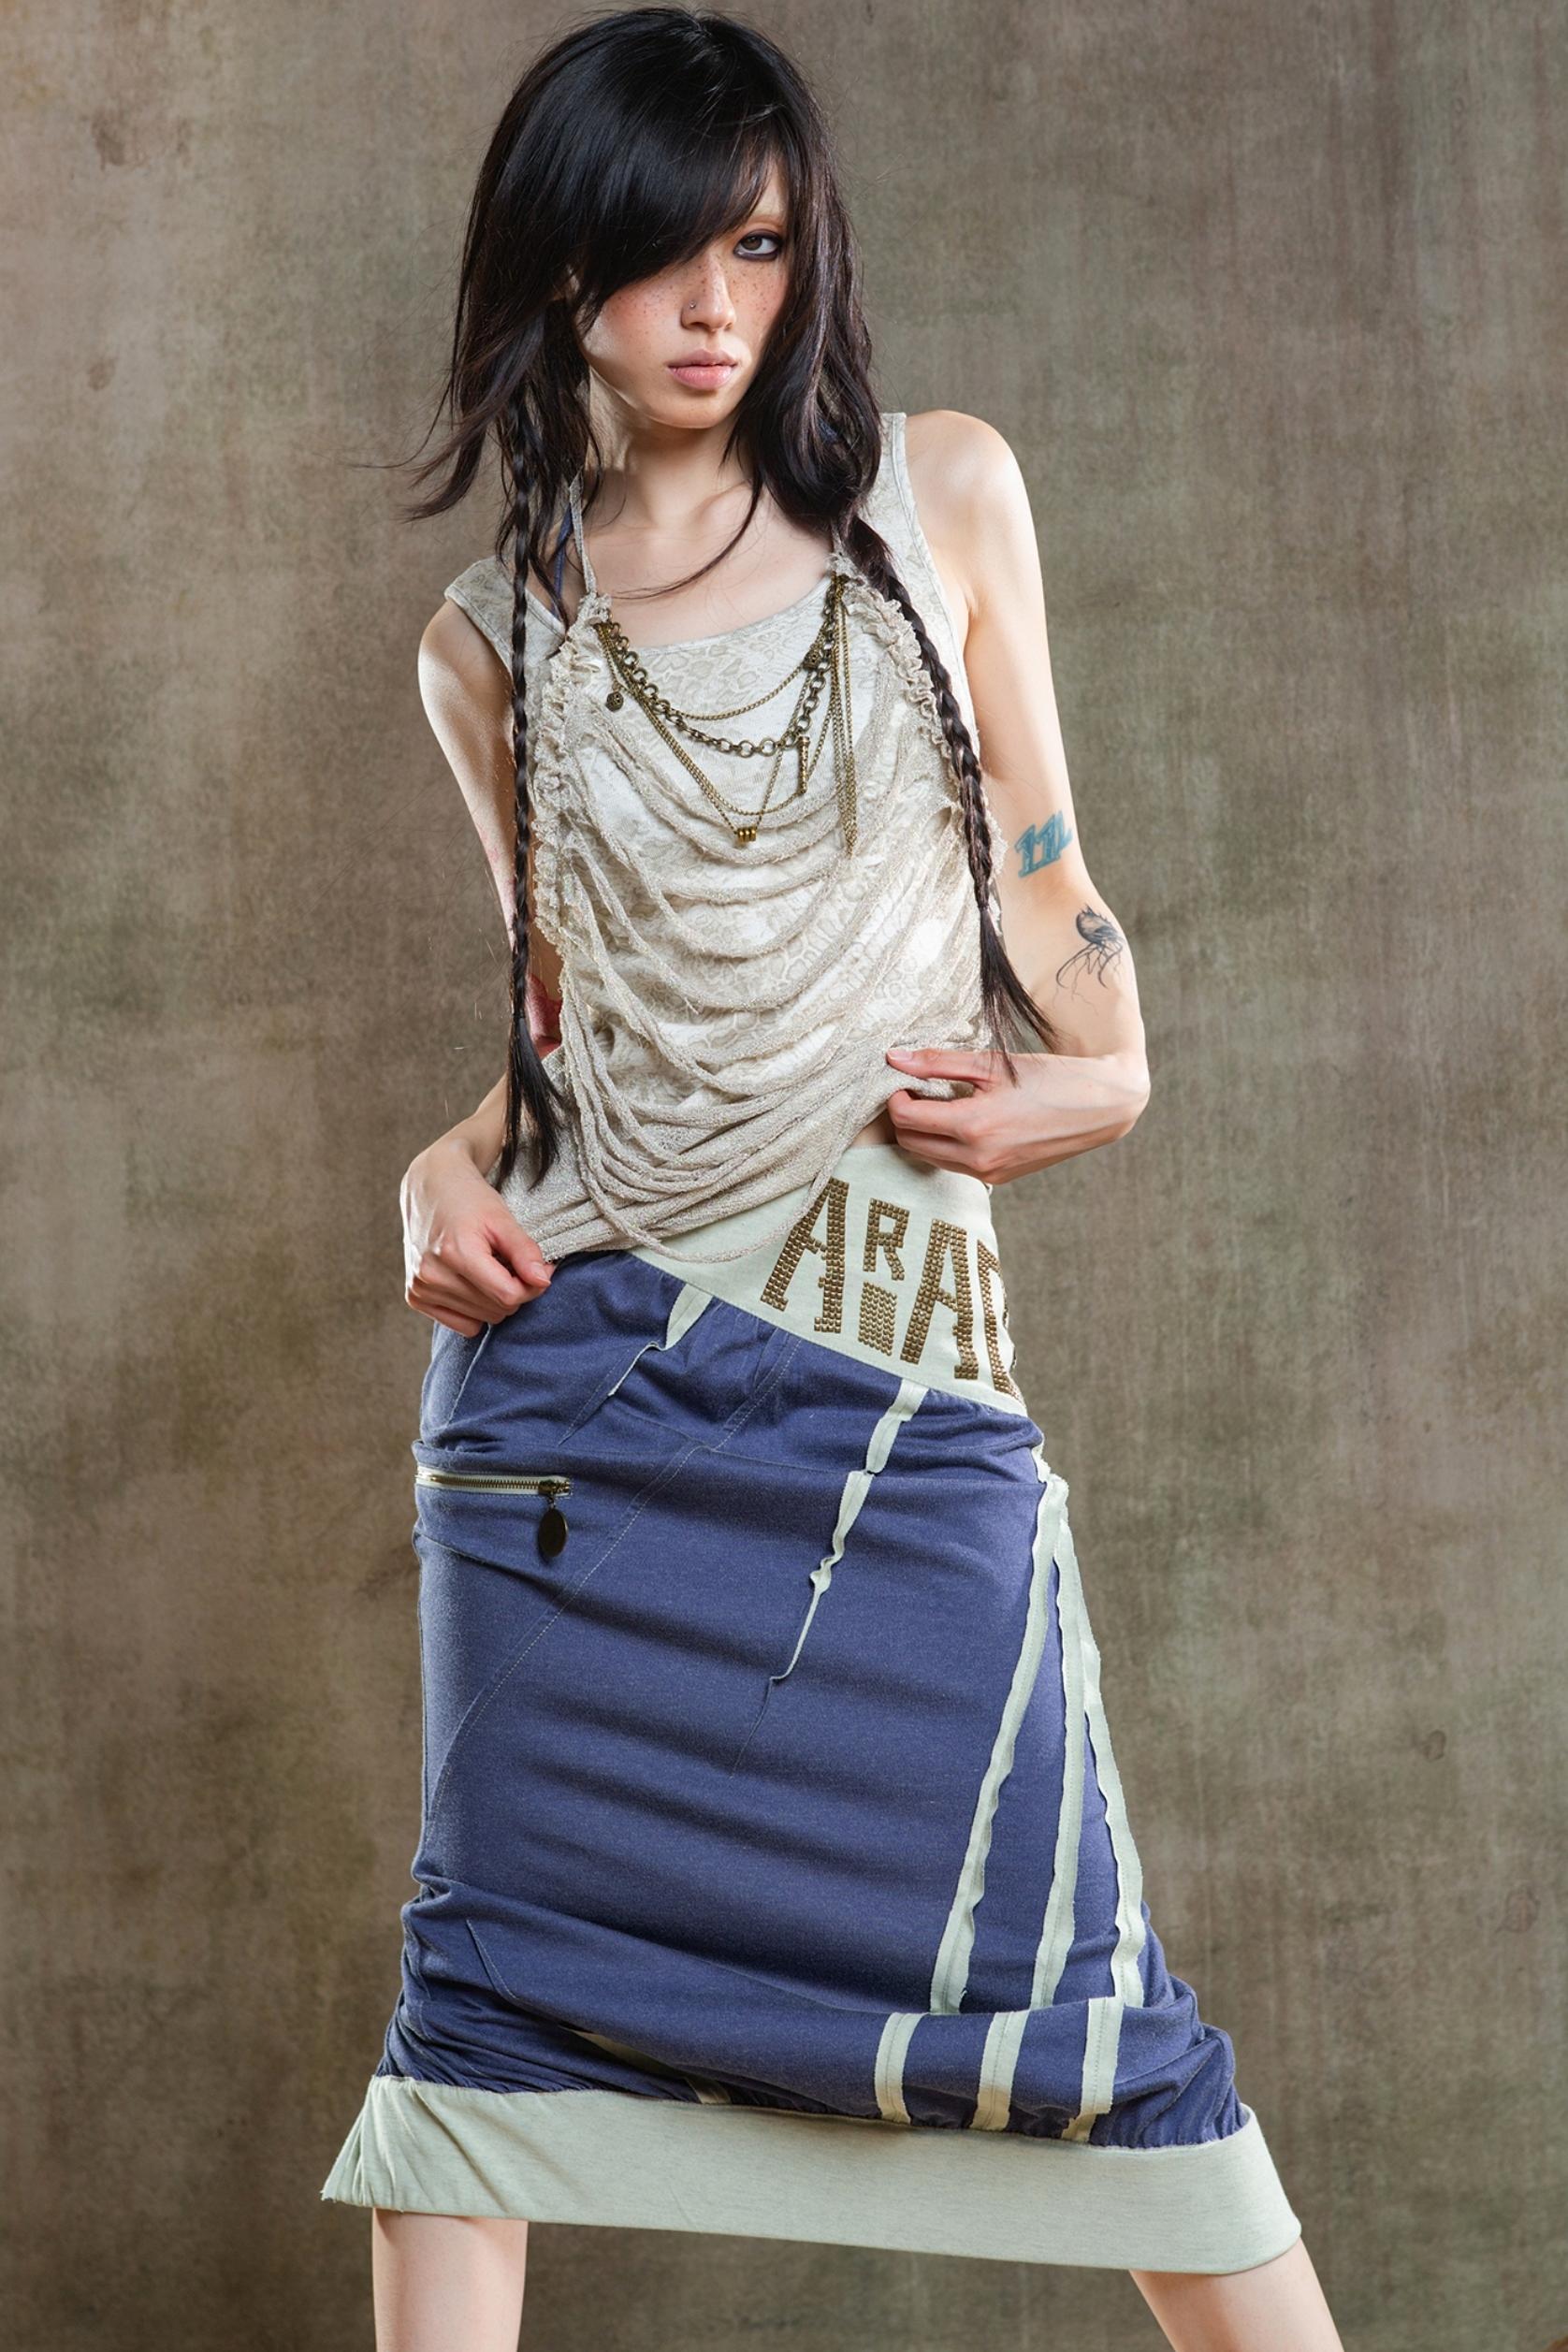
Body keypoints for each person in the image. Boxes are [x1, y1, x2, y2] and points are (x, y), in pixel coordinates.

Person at [320, 11, 1343, 2349]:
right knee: (480, 2020)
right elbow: (564, 1041)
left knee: (1097, 2017)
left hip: (892, 1358)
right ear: (555, 265)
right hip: (577, 1405)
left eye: (762, 250)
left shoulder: (938, 500)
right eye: (664, 252)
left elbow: (1050, 896)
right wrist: (429, 1172)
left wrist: (1108, 1074)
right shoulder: (490, 643)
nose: (717, 307)